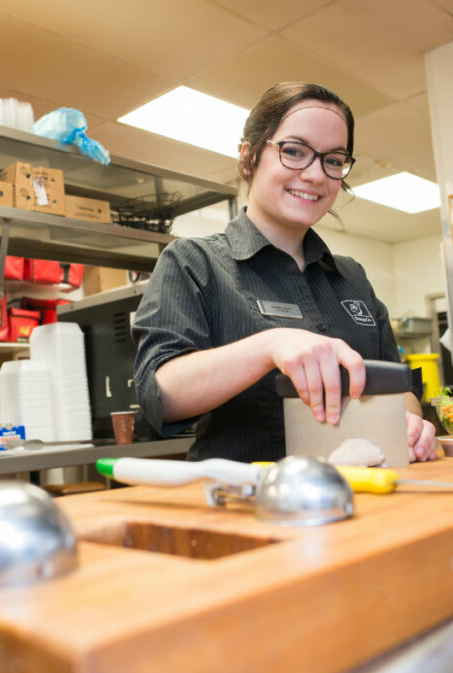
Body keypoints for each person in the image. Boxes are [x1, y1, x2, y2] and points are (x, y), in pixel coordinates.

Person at [131, 82, 437, 464]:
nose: (314, 174)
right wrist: (269, 345)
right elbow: (160, 396)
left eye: (334, 160)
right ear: (249, 156)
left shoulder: (353, 277)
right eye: (294, 151)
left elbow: (398, 386)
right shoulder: (193, 262)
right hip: (247, 505)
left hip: (362, 499)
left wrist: (410, 421)